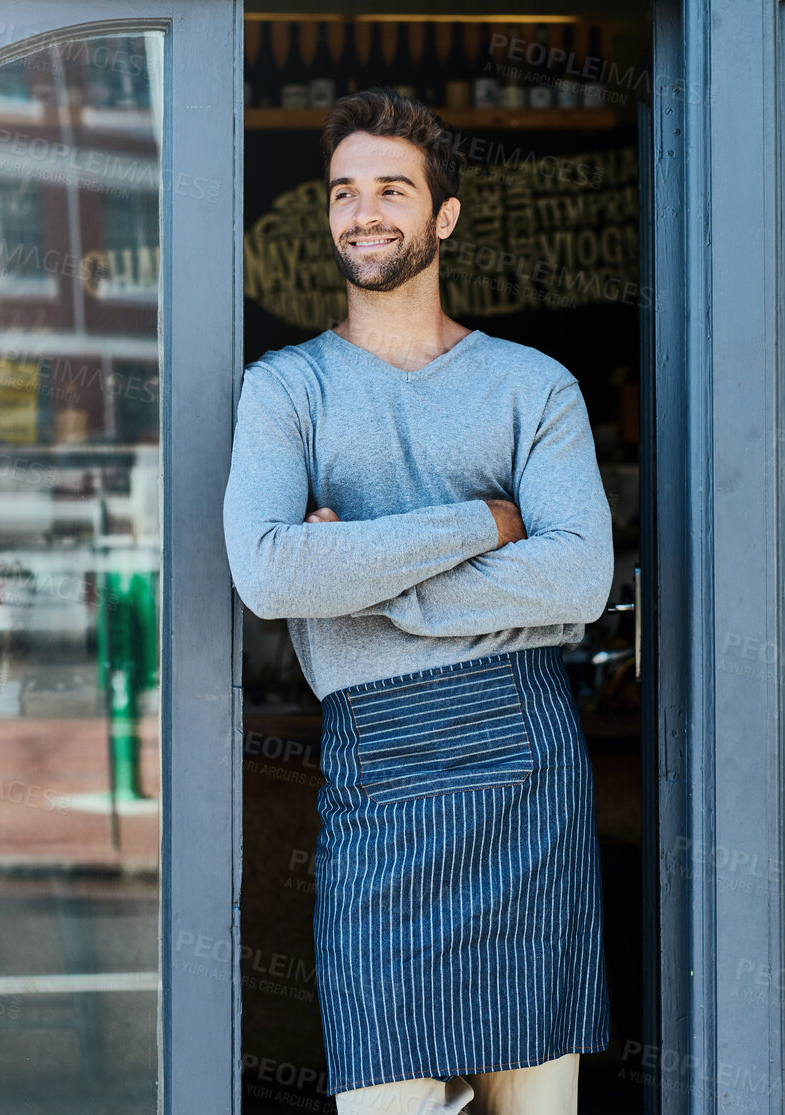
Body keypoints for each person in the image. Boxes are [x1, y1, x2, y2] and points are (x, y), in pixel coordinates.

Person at [222, 87, 614, 1115]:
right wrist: (484, 523)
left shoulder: (535, 386)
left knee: (532, 1102)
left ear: (442, 216)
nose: (364, 212)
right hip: (378, 777)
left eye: (391, 189)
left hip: (523, 774)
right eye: (345, 192)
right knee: (384, 1099)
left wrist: (366, 583)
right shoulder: (286, 388)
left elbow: (579, 576)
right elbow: (269, 573)